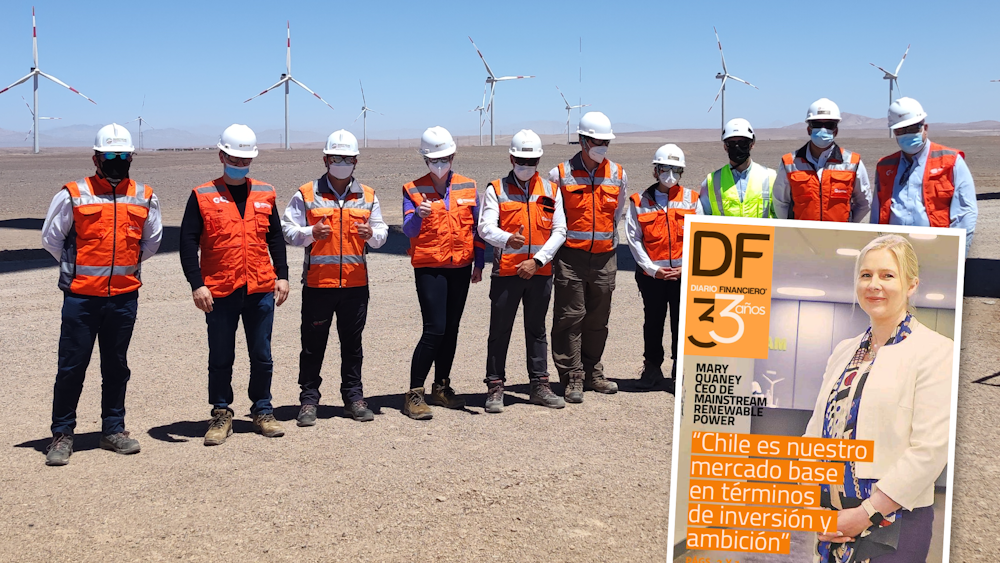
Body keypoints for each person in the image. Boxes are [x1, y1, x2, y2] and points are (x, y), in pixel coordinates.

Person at [804, 234, 953, 562]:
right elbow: (815, 433)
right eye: (866, 275)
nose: (874, 284)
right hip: (833, 521)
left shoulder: (935, 351)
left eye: (888, 275)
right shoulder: (845, 351)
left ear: (911, 285)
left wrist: (865, 514)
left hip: (895, 523)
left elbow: (929, 451)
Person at [40, 123, 163, 466]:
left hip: (124, 297)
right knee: (71, 367)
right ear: (96, 157)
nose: (117, 161)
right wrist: (80, 269)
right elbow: (52, 239)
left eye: (124, 155)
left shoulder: (144, 195)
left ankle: (113, 429)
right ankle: (62, 434)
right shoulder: (73, 194)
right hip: (81, 298)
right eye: (110, 155)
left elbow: (151, 242)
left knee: (117, 366)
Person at [179, 124, 289, 445]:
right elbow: (187, 242)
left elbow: (275, 237)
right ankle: (221, 413)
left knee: (262, 354)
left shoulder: (265, 193)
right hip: (219, 291)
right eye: (234, 159)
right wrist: (196, 284)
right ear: (221, 155)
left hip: (259, 288)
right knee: (221, 355)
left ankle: (263, 410)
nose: (240, 166)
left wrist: (281, 275)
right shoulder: (201, 195)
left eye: (245, 161)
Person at [281, 130, 388, 425]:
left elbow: (381, 233)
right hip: (319, 284)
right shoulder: (306, 193)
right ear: (326, 159)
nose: (342, 162)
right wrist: (309, 233)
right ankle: (308, 400)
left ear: (356, 161)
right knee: (313, 344)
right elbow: (288, 230)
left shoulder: (368, 195)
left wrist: (372, 235)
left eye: (347, 158)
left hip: (355, 285)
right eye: (336, 157)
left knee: (352, 344)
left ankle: (353, 397)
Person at [477, 129, 567, 413]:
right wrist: (506, 238)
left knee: (537, 329)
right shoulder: (496, 189)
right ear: (511, 158)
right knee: (500, 330)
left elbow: (560, 230)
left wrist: (538, 261)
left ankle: (540, 385)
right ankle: (494, 386)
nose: (526, 166)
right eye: (520, 160)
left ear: (539, 161)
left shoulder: (551, 190)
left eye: (532, 161)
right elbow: (484, 227)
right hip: (506, 273)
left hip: (539, 273)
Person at [401, 126, 484, 420]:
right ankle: (414, 393)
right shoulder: (412, 189)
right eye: (434, 159)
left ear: (453, 156)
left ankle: (442, 386)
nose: (440, 164)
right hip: (429, 268)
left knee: (451, 330)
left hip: (460, 267)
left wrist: (480, 262)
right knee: (434, 329)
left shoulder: (468, 186)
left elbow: (476, 229)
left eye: (445, 158)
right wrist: (419, 217)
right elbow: (407, 230)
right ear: (425, 159)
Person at [548, 111, 627, 403]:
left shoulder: (618, 173)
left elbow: (617, 213)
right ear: (582, 140)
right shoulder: (560, 174)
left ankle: (593, 372)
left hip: (605, 258)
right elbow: (554, 218)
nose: (603, 146)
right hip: (571, 258)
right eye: (597, 141)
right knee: (570, 317)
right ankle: (572, 377)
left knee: (598, 319)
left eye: (606, 141)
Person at [625, 144, 702, 394]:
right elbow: (633, 239)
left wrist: (687, 268)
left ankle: (680, 372)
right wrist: (652, 269)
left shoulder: (692, 199)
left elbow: (701, 237)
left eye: (676, 170)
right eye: (666, 169)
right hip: (652, 276)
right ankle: (652, 368)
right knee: (653, 322)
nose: (671, 174)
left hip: (683, 275)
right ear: (655, 171)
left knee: (682, 324)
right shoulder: (640, 201)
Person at [874, 97, 977, 253]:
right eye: (900, 130)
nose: (906, 134)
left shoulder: (951, 161)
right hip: (893, 251)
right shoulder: (884, 166)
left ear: (925, 128)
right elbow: (876, 213)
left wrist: (956, 255)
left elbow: (965, 214)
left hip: (935, 249)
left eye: (913, 128)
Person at [773, 98, 872, 222]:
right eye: (817, 124)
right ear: (809, 129)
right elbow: (780, 203)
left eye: (829, 125)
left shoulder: (853, 162)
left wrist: (848, 227)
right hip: (802, 237)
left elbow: (864, 203)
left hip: (839, 238)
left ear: (836, 130)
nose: (823, 129)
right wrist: (796, 231)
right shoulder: (790, 163)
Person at [700, 118, 777, 218]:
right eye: (731, 143)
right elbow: (703, 220)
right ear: (725, 147)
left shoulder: (770, 178)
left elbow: (780, 218)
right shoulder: (711, 181)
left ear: (752, 144)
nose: (737, 147)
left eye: (743, 143)